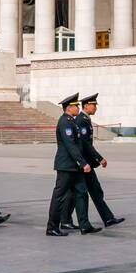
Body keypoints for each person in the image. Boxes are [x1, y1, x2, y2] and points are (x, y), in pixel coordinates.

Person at [64, 93, 123, 229]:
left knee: (90, 191)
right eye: (93, 105)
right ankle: (66, 219)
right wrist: (99, 158)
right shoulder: (82, 120)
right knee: (79, 192)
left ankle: (107, 218)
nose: (95, 108)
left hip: (86, 163)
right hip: (84, 164)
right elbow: (85, 144)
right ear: (87, 106)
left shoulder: (84, 119)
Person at [46, 93, 95, 236]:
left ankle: (84, 225)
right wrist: (83, 163)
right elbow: (70, 146)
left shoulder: (71, 121)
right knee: (59, 196)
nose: (78, 108)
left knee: (82, 193)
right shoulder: (65, 122)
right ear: (69, 108)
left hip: (74, 166)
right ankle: (52, 227)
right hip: (66, 166)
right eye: (76, 106)